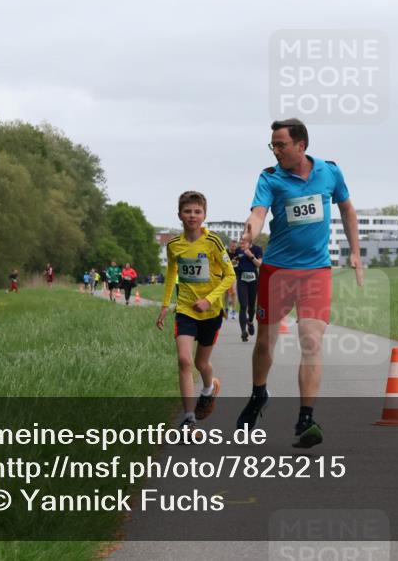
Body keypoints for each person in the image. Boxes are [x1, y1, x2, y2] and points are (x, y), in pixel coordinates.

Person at [236, 118, 363, 449]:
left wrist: (356, 253)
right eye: (272, 145)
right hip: (277, 271)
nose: (275, 150)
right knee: (265, 343)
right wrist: (251, 229)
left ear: (301, 145)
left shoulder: (330, 172)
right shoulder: (270, 177)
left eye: (281, 144)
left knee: (311, 340)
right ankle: (258, 394)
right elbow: (259, 212)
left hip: (315, 272)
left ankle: (305, 418)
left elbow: (348, 210)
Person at [156, 191, 236, 438]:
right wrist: (165, 305)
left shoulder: (213, 242)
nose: (192, 216)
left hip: (210, 312)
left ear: (204, 215)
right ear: (179, 214)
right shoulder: (174, 245)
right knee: (184, 361)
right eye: (188, 211)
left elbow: (230, 275)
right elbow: (171, 274)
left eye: (197, 211)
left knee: (201, 363)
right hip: (185, 311)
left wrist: (210, 299)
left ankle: (209, 388)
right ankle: (189, 420)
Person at [231, 238, 263, 341]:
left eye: (244, 242)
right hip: (242, 280)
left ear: (250, 243)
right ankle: (243, 332)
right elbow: (234, 264)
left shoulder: (257, 249)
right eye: (241, 243)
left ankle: (250, 321)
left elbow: (259, 264)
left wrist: (251, 256)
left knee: (251, 307)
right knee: (243, 306)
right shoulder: (238, 250)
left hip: (253, 281)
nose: (241, 244)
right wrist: (234, 263)